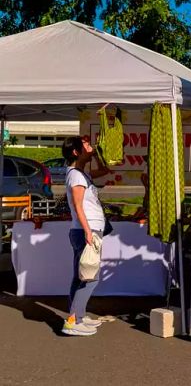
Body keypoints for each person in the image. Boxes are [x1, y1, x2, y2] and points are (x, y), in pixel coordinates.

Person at [61, 136, 110, 336]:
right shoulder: (76, 177)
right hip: (85, 231)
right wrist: (89, 231)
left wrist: (95, 153)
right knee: (90, 277)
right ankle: (73, 320)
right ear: (76, 152)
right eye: (86, 146)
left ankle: (78, 316)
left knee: (81, 276)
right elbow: (78, 206)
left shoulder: (81, 173)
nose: (90, 148)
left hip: (84, 230)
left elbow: (106, 171)